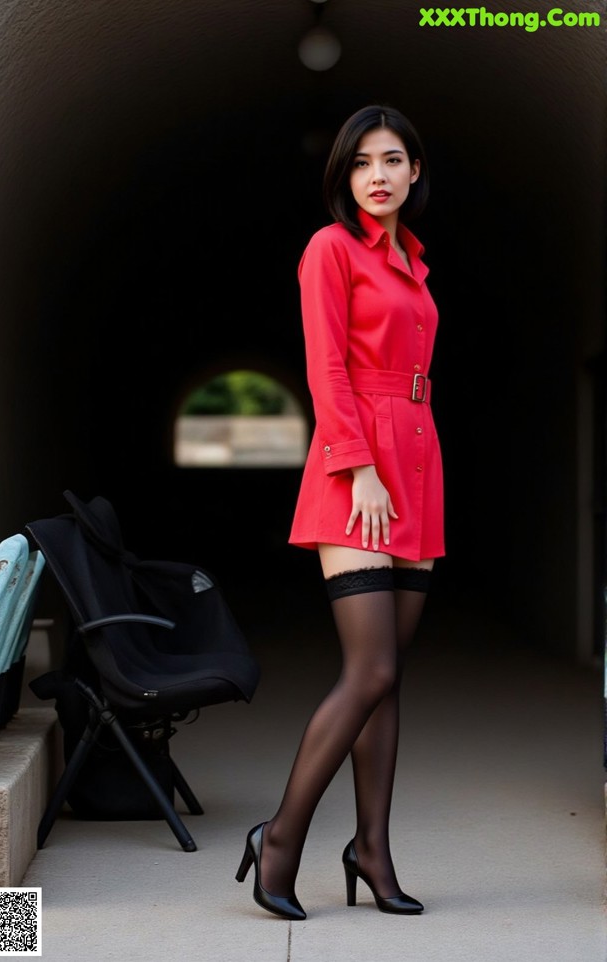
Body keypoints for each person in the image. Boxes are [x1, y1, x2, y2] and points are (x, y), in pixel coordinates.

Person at [235, 104, 445, 920]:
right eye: (362, 164)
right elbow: (327, 366)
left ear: (415, 170)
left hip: (418, 463)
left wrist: (400, 464)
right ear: (344, 178)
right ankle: (280, 838)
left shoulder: (417, 266)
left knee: (389, 684)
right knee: (372, 670)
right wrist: (357, 465)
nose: (379, 175)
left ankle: (372, 851)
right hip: (357, 466)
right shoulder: (330, 250)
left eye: (393, 160)